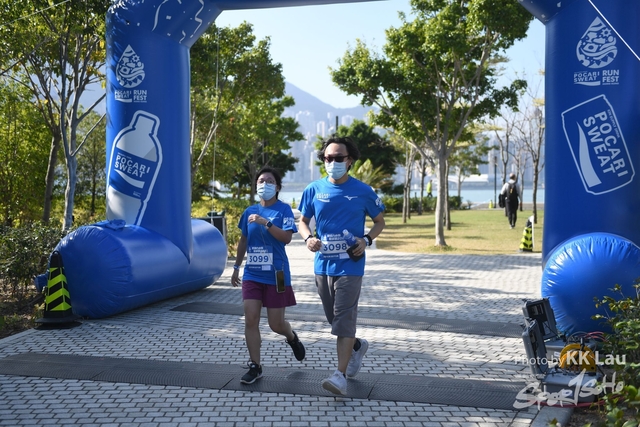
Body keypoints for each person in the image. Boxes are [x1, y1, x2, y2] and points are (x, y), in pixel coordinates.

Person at [298, 136, 385, 396]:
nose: (332, 162)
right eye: (328, 158)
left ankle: (340, 375)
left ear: (350, 161)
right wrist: (308, 238)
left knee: (344, 318)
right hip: (323, 265)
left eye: (338, 158)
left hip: (351, 265)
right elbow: (303, 221)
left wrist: (366, 240)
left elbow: (379, 221)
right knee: (334, 319)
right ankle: (357, 346)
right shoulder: (313, 189)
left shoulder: (363, 191)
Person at [231, 166, 306, 385]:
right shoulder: (249, 211)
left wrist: (266, 222)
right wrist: (236, 267)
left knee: (276, 324)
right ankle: (255, 366)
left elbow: (286, 238)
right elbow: (244, 240)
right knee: (250, 319)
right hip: (252, 274)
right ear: (256, 186)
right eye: (261, 181)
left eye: (270, 181)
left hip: (277, 274)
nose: (265, 184)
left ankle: (292, 337)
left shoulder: (283, 210)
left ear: (278, 187)